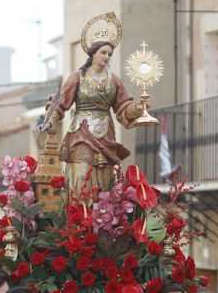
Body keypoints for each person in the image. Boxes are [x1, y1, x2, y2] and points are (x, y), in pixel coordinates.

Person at [43, 13, 148, 194]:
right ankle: (79, 215)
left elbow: (123, 107)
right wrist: (49, 121)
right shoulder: (77, 77)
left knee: (104, 179)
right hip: (81, 133)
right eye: (103, 52)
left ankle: (101, 217)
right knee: (82, 174)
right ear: (93, 54)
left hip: (105, 134)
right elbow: (61, 103)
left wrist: (138, 108)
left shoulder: (113, 80)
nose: (106, 57)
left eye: (109, 54)